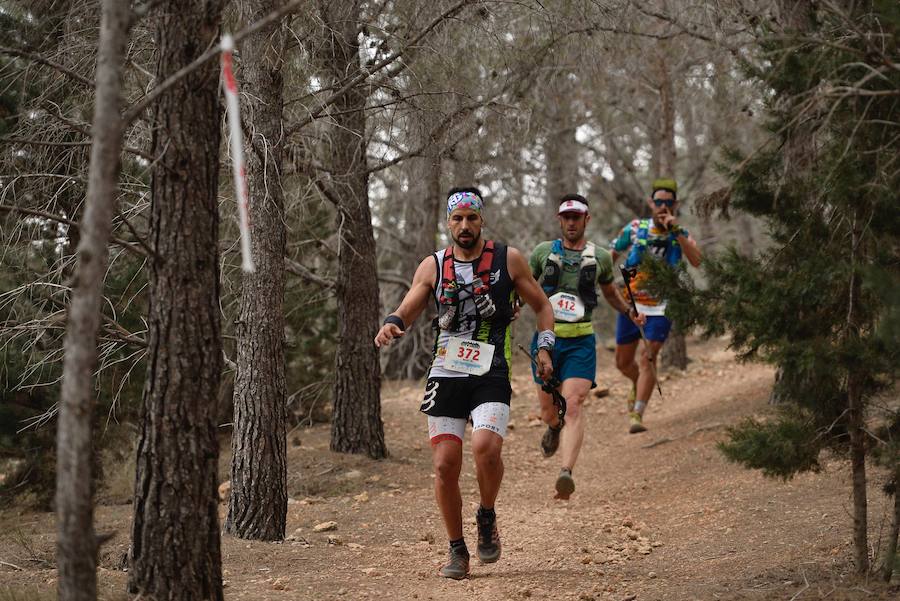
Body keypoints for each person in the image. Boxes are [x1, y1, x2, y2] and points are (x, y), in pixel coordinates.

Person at [374, 187, 555, 580]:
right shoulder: (434, 265)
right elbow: (412, 302)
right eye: (457, 219)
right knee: (444, 465)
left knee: (486, 448)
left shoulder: (508, 259)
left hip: (491, 369)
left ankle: (486, 514)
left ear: (482, 220)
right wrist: (393, 322)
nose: (465, 225)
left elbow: (542, 305)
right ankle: (457, 549)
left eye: (472, 217)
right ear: (448, 224)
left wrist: (545, 349)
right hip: (446, 370)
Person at [529, 193, 646, 500]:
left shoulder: (601, 258)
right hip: (546, 340)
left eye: (576, 217)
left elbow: (609, 293)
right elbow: (523, 285)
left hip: (581, 340)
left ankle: (566, 473)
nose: (571, 222)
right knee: (548, 413)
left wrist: (629, 312)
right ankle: (554, 428)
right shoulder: (543, 253)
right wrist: (511, 306)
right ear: (559, 220)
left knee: (574, 403)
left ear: (586, 220)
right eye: (566, 217)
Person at [610, 178, 702, 434]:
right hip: (631, 303)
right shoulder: (636, 228)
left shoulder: (680, 232)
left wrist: (676, 231)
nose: (663, 206)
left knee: (648, 355)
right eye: (658, 201)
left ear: (675, 204)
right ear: (651, 203)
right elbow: (610, 256)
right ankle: (637, 382)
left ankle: (637, 413)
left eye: (668, 202)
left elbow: (697, 260)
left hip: (663, 304)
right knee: (622, 362)